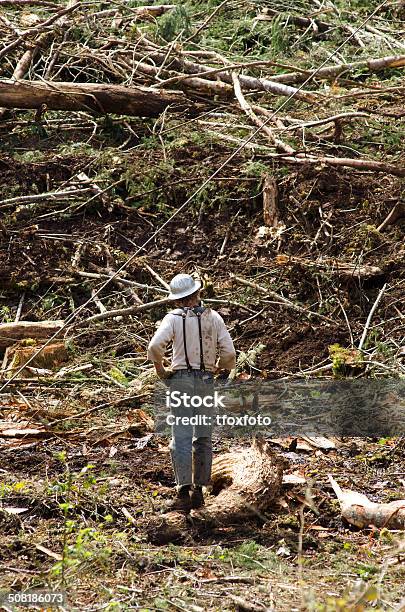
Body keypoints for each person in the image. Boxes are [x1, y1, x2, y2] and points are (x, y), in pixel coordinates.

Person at [147, 273, 236, 511]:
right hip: (206, 381)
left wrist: (161, 369)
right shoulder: (214, 317)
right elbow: (229, 353)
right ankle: (200, 491)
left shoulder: (172, 319)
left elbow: (155, 346)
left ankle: (183, 492)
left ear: (177, 300)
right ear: (198, 293)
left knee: (182, 436)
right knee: (203, 437)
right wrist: (221, 369)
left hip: (182, 381)